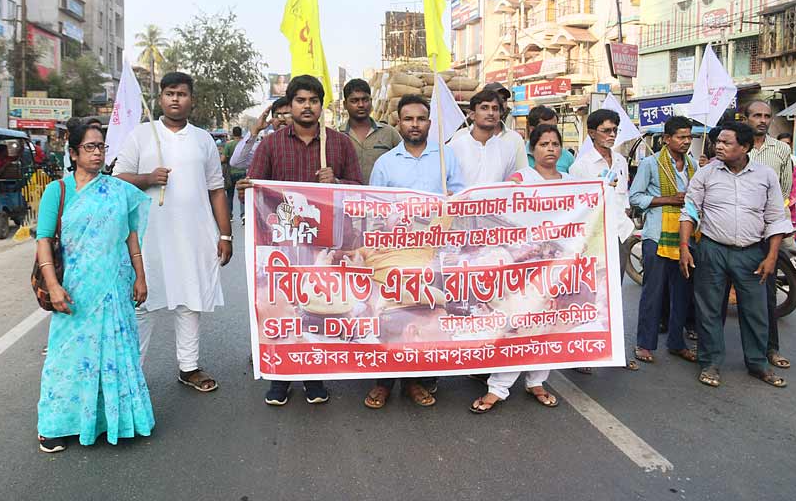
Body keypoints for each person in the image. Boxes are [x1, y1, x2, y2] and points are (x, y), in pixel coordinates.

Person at [237, 74, 363, 406]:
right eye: (300, 100)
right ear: (290, 105)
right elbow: (256, 184)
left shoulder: (337, 144)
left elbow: (359, 190)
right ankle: (280, 377)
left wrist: (336, 180)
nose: (307, 107)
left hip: (322, 246)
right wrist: (247, 190)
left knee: (313, 311)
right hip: (282, 244)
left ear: (322, 106)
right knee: (278, 308)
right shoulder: (272, 144)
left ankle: (313, 376)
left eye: (313, 101)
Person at [35, 121, 153, 453]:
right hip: (75, 291)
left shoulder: (118, 191)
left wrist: (140, 276)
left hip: (115, 288)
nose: (98, 152)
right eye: (90, 147)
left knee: (115, 354)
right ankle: (55, 426)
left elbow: (132, 238)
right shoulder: (57, 192)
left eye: (101, 146)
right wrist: (53, 286)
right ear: (72, 153)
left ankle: (109, 420)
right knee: (66, 358)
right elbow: (44, 241)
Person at [114, 71, 233, 394]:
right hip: (148, 237)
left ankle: (189, 367)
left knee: (190, 300)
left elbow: (217, 190)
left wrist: (225, 235)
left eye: (181, 94)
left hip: (194, 234)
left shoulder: (203, 139)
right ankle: (131, 372)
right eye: (169, 93)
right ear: (160, 98)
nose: (175, 99)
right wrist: (148, 178)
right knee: (142, 302)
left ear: (191, 100)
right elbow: (117, 178)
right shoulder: (141, 135)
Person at [364, 94, 465, 410]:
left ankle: (414, 381)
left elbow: (463, 197)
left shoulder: (446, 156)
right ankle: (382, 382)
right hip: (393, 255)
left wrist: (452, 198)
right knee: (390, 317)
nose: (415, 124)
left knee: (420, 318)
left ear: (429, 123)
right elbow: (373, 210)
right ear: (398, 122)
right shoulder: (385, 163)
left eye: (420, 119)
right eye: (408, 119)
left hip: (432, 254)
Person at [679, 121, 793, 389]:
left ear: (745, 147)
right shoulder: (706, 174)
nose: (718, 146)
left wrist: (772, 257)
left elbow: (776, 218)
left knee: (755, 311)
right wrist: (685, 247)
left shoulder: (766, 176)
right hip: (712, 249)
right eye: (717, 141)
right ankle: (710, 363)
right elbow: (690, 211)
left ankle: (757, 364)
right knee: (708, 310)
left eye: (726, 142)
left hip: (752, 253)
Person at [470, 124, 568, 414]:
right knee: (517, 324)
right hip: (523, 264)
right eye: (543, 144)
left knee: (546, 325)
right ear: (532, 149)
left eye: (554, 144)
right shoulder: (520, 179)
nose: (550, 149)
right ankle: (498, 388)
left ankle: (537, 381)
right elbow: (502, 210)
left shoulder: (572, 182)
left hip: (557, 265)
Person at [570, 108, 639, 372]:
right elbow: (577, 205)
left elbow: (624, 196)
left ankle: (614, 350)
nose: (612, 135)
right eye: (606, 130)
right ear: (592, 133)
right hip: (593, 238)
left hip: (619, 233)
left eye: (615, 130)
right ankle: (583, 353)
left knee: (614, 296)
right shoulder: (582, 165)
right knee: (589, 296)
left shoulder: (620, 161)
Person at [628, 116, 698, 364]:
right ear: (667, 139)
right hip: (656, 236)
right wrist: (668, 200)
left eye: (689, 137)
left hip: (684, 237)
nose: (686, 141)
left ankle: (677, 342)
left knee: (682, 292)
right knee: (653, 293)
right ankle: (644, 344)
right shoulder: (650, 163)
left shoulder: (692, 165)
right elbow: (635, 197)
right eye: (681, 137)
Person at [744, 101, 792, 370]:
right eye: (756, 115)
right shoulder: (736, 146)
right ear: (746, 118)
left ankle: (770, 349)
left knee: (767, 296)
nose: (762, 120)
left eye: (766, 116)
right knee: (720, 294)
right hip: (733, 232)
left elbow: (783, 192)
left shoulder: (782, 150)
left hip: (766, 236)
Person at [450, 83, 528, 172]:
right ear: (472, 114)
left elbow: (520, 174)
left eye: (495, 108)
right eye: (484, 107)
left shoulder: (510, 144)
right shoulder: (458, 140)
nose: (490, 113)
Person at [341, 78, 402, 184]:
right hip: (348, 198)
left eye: (365, 100)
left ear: (371, 101)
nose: (361, 105)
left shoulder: (389, 133)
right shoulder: (337, 135)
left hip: (380, 198)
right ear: (345, 104)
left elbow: (403, 162)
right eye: (354, 101)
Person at [230, 96, 292, 172]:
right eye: (277, 115)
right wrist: (256, 129)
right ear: (272, 119)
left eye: (287, 115)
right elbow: (236, 162)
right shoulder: (264, 147)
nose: (282, 119)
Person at [526, 105, 575, 173]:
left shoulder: (567, 157)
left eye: (554, 127)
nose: (552, 132)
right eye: (545, 128)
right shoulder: (519, 155)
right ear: (532, 129)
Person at [222, 126, 245, 220]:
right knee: (243, 194)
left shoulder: (229, 145)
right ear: (241, 133)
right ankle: (244, 215)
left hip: (231, 173)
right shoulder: (244, 144)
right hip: (243, 172)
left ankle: (229, 215)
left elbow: (223, 159)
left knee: (230, 195)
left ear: (233, 133)